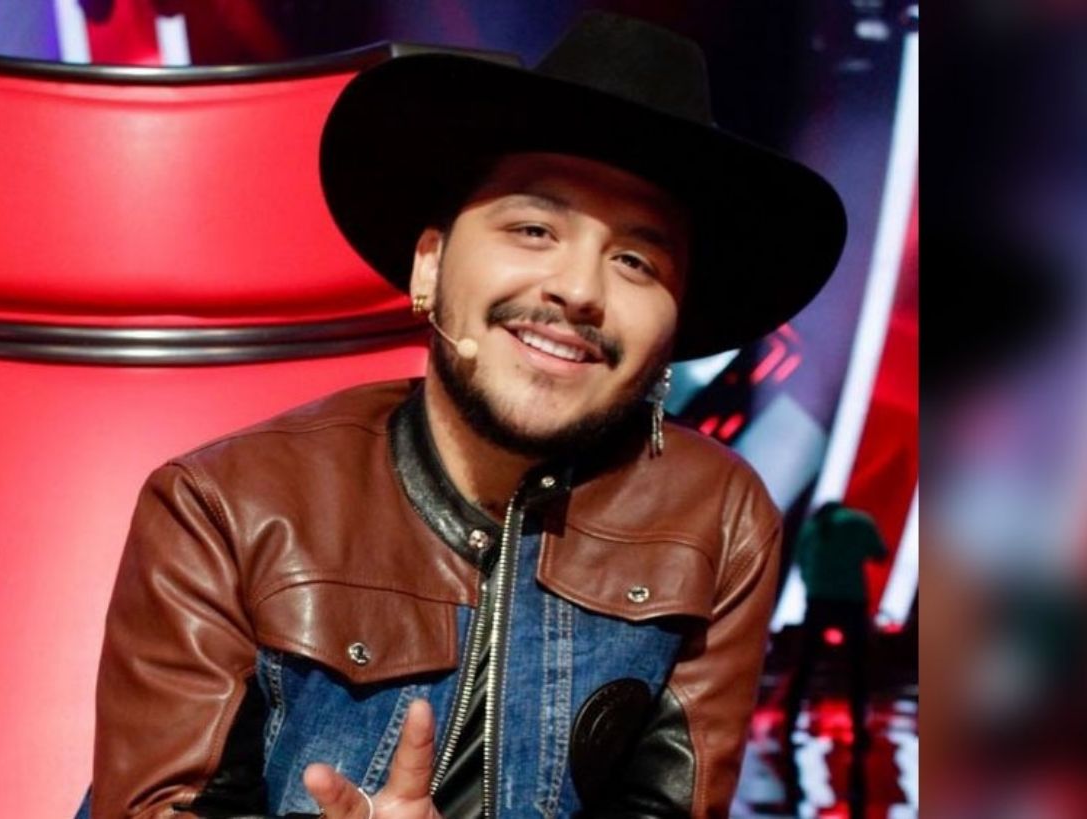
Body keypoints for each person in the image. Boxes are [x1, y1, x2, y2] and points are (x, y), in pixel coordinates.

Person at [92, 12, 845, 819]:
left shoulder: (719, 517)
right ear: (430, 264)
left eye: (635, 260)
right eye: (534, 228)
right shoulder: (222, 505)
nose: (579, 290)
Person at [782, 501, 890, 748]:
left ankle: (788, 726)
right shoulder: (860, 521)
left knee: (804, 666)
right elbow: (880, 554)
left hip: (818, 601)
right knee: (857, 668)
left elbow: (799, 562)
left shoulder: (810, 527)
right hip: (852, 601)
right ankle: (859, 729)